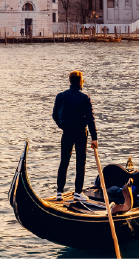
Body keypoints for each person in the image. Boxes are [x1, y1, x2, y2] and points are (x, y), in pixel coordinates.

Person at [51, 70, 98, 201]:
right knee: (80, 162)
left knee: (64, 161)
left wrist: (63, 125)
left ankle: (59, 192)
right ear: (80, 81)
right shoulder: (84, 98)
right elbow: (90, 118)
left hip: (66, 132)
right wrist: (94, 138)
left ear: (70, 81)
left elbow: (55, 115)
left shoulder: (60, 96)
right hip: (80, 132)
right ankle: (78, 192)